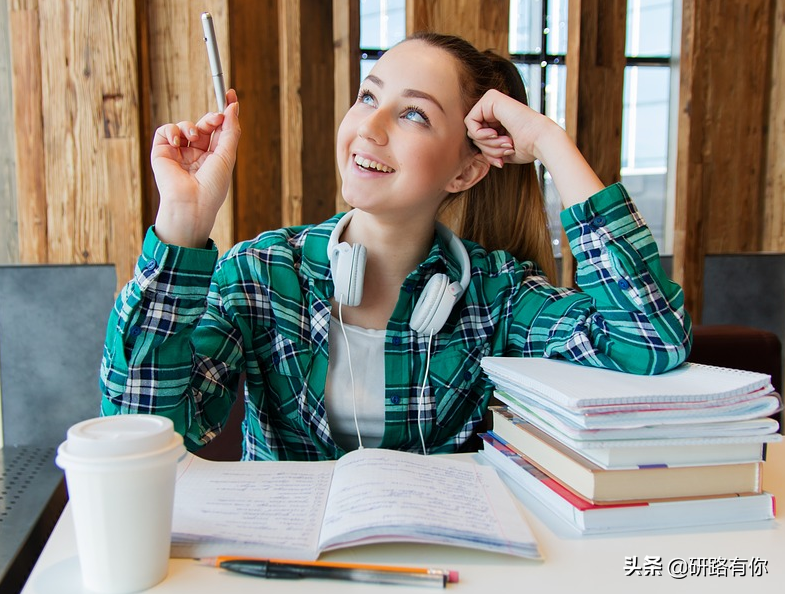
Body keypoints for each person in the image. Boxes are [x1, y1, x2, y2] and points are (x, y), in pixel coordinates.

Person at [100, 32, 691, 461]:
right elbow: (143, 425)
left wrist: (552, 142)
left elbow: (649, 339)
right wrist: (181, 221)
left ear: (464, 172)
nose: (369, 127)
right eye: (367, 97)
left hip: (442, 570)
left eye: (412, 114)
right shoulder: (260, 273)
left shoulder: (498, 296)